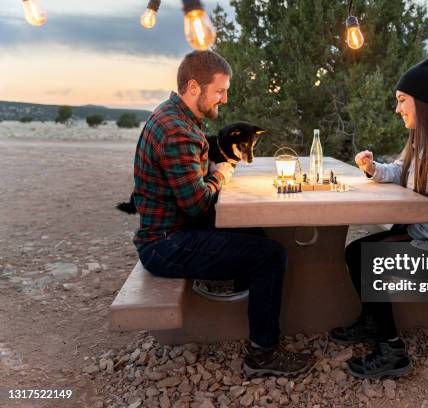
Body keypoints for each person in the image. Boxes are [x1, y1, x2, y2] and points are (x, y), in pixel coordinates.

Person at [132, 50, 313, 377]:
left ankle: (242, 309)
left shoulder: (180, 118)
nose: (225, 99)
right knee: (270, 256)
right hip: (165, 244)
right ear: (192, 87)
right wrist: (220, 175)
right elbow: (197, 203)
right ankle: (262, 354)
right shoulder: (177, 131)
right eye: (219, 91)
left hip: (172, 232)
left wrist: (214, 172)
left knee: (256, 234)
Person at [329, 55, 428, 379]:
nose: (397, 108)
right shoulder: (423, 141)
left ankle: (393, 351)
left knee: (371, 260)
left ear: (424, 102)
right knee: (356, 252)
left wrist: (403, 232)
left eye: (402, 100)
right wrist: (374, 168)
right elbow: (400, 171)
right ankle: (375, 322)